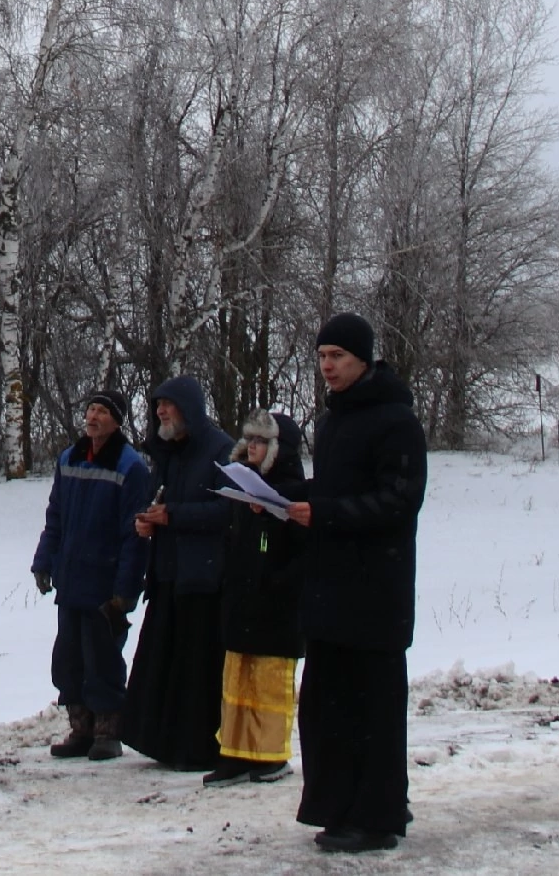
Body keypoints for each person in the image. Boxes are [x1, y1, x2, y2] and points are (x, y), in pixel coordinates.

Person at [286, 313, 423, 856]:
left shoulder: (396, 421)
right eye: (321, 357)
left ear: (364, 359)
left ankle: (379, 815)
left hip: (376, 594)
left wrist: (325, 514)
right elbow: (338, 488)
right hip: (330, 589)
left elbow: (398, 499)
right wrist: (286, 500)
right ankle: (339, 806)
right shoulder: (333, 420)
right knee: (329, 707)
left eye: (337, 357)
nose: (327, 367)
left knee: (373, 710)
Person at [31, 389, 157, 761]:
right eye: (89, 409)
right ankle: (80, 728)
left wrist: (125, 590)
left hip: (104, 583)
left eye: (102, 411)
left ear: (117, 421)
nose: (93, 417)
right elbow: (55, 516)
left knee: (103, 659)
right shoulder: (69, 458)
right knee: (69, 658)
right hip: (71, 579)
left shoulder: (130, 466)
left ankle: (108, 731)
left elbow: (133, 534)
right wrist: (44, 562)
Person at [124, 376, 236, 770]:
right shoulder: (167, 453)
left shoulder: (221, 450)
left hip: (203, 578)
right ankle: (161, 742)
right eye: (157, 407)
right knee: (163, 664)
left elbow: (229, 511)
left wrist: (174, 516)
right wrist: (150, 521)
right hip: (168, 573)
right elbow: (159, 500)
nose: (160, 413)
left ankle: (198, 748)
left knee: (196, 669)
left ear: (188, 408)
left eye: (167, 406)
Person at [204, 409, 305, 788]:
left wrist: (278, 582)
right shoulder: (242, 491)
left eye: (262, 442)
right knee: (237, 680)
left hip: (276, 606)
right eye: (250, 440)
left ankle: (270, 754)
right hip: (241, 599)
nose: (253, 448)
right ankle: (233, 751)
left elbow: (301, 551)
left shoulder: (294, 492)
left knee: (268, 683)